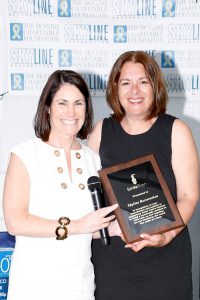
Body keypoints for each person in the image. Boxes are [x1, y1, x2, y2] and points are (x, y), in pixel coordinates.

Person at [88, 51, 200, 300]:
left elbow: (188, 196)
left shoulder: (176, 131)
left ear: (155, 86)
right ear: (115, 89)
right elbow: (84, 197)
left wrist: (166, 234)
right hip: (111, 265)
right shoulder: (100, 133)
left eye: (143, 82)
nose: (134, 91)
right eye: (126, 83)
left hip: (166, 264)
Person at [2, 70, 118, 300]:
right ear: (47, 107)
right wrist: (76, 226)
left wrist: (113, 229)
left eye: (78, 103)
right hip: (33, 287)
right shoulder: (25, 154)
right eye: (62, 103)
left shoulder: (92, 159)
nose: (71, 112)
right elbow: (15, 222)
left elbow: (87, 227)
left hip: (80, 288)